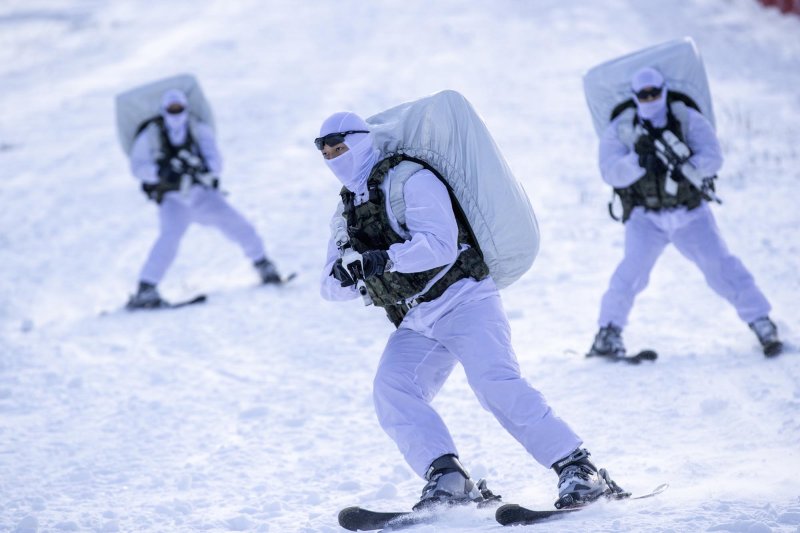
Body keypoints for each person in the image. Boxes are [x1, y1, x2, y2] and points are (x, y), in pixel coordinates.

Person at [317, 111, 624, 510]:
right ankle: (447, 476)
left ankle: (578, 467)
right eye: (326, 153)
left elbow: (440, 244)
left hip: (464, 300)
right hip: (415, 319)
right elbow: (327, 286)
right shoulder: (345, 213)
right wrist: (348, 274)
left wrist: (384, 260)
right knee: (392, 390)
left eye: (340, 148)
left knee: (494, 383)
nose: (334, 158)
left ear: (362, 141)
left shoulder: (410, 179)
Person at [589, 67, 782, 358]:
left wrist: (687, 170)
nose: (650, 98)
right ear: (635, 97)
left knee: (721, 267)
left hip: (690, 213)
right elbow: (610, 172)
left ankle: (761, 322)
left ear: (664, 91)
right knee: (630, 274)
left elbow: (713, 156)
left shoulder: (686, 118)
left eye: (655, 92)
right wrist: (640, 161)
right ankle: (607, 332)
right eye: (644, 95)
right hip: (646, 216)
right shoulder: (623, 127)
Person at [126, 88, 283, 308]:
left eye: (179, 108)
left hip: (202, 195)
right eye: (171, 109)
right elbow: (137, 167)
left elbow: (216, 163)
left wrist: (198, 167)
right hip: (173, 199)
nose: (175, 113)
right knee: (168, 238)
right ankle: (146, 288)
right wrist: (160, 172)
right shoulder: (151, 134)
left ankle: (264, 265)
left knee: (238, 225)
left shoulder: (198, 130)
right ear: (163, 110)